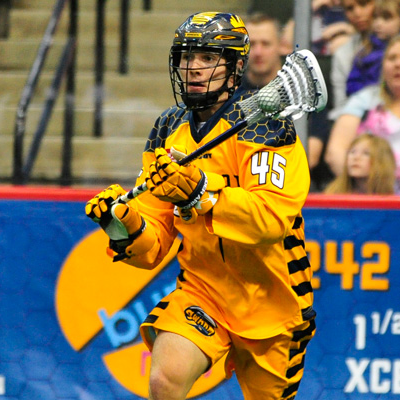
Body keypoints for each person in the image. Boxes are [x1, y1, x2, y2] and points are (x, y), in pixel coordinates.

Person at [85, 12, 316, 400]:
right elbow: (153, 245)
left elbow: (270, 220)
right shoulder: (166, 129)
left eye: (207, 57)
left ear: (235, 66)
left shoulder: (266, 126)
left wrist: (201, 193)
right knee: (165, 380)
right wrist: (123, 226)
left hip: (274, 301)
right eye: (186, 57)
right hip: (203, 290)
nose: (193, 67)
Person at [325, 33, 400, 188]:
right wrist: (366, 185)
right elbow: (335, 151)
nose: (398, 64)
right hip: (370, 193)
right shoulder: (365, 99)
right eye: (391, 58)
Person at [329, 0, 376, 120]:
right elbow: (341, 106)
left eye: (363, 4)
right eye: (350, 8)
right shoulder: (342, 54)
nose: (357, 13)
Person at [324, 133, 400, 193]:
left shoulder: (396, 195)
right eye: (352, 152)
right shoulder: (334, 193)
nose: (356, 157)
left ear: (382, 162)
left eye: (366, 153)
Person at [237, 13, 284, 93]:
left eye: (265, 44)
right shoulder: (231, 93)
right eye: (251, 44)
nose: (258, 52)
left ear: (281, 45)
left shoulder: (296, 92)